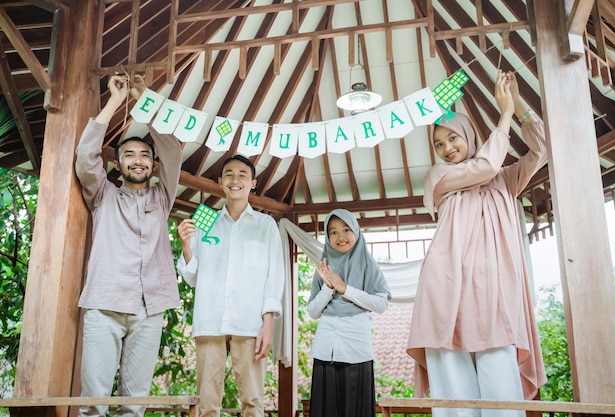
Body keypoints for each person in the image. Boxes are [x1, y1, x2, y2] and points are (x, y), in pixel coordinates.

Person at [406, 70, 547, 417]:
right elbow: (484, 165)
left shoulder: (504, 178)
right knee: (454, 396)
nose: (446, 149)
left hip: (492, 292)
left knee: (501, 389)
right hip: (445, 288)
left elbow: (542, 149)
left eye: (452, 138)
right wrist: (504, 115)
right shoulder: (439, 177)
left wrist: (518, 104)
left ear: (469, 135)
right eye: (438, 144)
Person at [75, 74, 182, 417]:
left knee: (134, 408)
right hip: (105, 304)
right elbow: (85, 155)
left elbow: (173, 150)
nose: (138, 160)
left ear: (153, 164)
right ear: (118, 164)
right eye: (130, 155)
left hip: (149, 309)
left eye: (145, 155)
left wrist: (143, 100)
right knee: (94, 405)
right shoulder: (102, 195)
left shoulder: (162, 197)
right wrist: (115, 102)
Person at [176, 154, 285, 417]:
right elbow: (192, 276)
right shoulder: (204, 219)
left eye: (242, 175)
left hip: (250, 323)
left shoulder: (266, 225)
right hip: (210, 319)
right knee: (206, 402)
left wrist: (267, 323)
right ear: (220, 182)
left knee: (252, 401)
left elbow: (274, 276)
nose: (235, 179)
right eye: (229, 174)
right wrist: (186, 246)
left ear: (253, 183)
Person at [307, 209, 391, 417]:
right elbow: (313, 311)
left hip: (356, 350)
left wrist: (346, 289)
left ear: (355, 230)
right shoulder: (323, 266)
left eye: (346, 229)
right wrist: (328, 288)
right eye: (333, 232)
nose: (340, 237)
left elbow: (381, 304)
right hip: (326, 350)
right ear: (327, 237)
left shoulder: (368, 265)